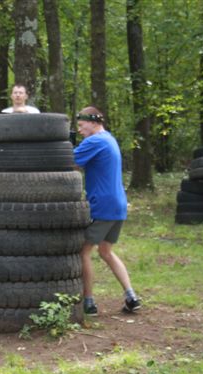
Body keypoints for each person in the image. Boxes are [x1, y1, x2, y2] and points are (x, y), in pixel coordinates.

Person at [73, 106, 141, 315]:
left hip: (102, 205)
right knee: (105, 251)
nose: (80, 130)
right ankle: (131, 296)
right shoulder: (109, 138)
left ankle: (89, 302)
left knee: (84, 251)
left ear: (93, 122)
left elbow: (68, 162)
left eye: (82, 125)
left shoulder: (95, 141)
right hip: (118, 204)